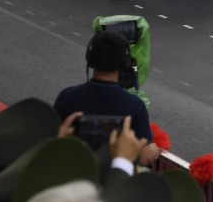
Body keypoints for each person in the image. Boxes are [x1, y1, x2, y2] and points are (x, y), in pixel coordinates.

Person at [52, 29, 161, 165]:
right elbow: (143, 155)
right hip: (115, 183)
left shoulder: (67, 97)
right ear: (124, 64)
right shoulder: (135, 106)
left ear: (90, 60)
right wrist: (151, 150)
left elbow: (52, 142)